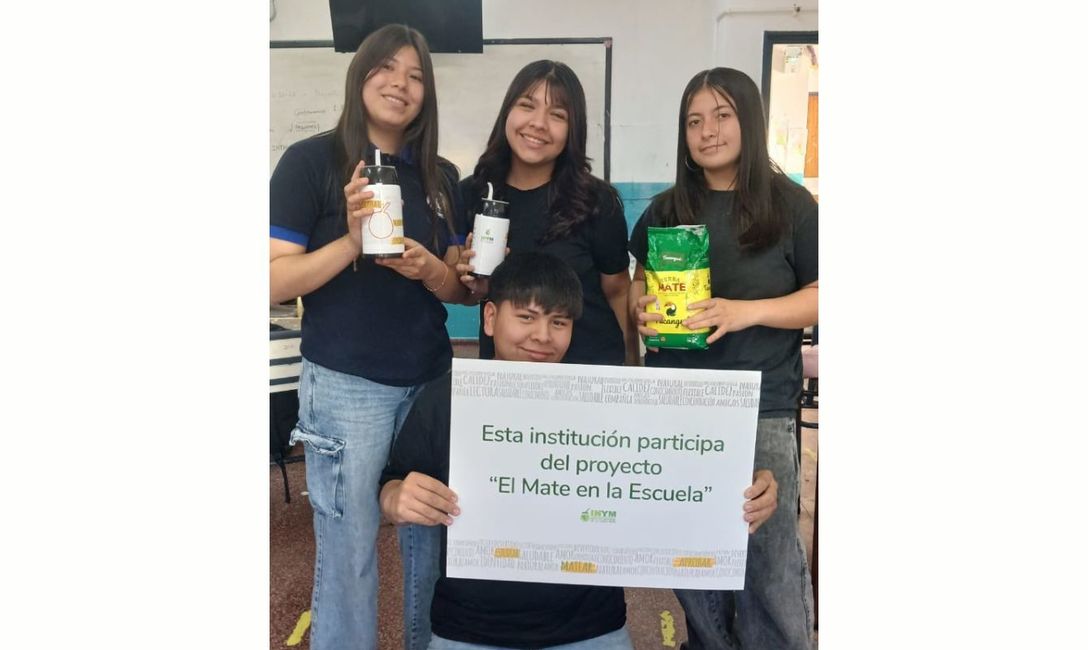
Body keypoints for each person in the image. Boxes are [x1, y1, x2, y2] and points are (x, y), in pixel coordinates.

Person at [379, 251, 781, 650]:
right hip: (468, 629)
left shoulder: (607, 404)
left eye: (558, 322)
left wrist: (746, 488)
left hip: (592, 630)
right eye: (526, 317)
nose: (542, 336)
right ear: (489, 318)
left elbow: (680, 468)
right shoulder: (447, 398)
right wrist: (396, 497)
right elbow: (393, 481)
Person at [269, 24, 470, 650]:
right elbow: (273, 280)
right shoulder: (312, 162)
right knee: (350, 550)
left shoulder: (441, 176)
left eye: (415, 76)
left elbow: (461, 290)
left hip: (431, 377)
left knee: (431, 536)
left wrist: (438, 270)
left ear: (427, 94)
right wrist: (352, 242)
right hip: (346, 384)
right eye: (386, 68)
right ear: (360, 77)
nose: (400, 84)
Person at [627, 67, 818, 650]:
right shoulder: (666, 209)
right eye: (694, 120)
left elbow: (819, 296)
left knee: (766, 552)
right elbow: (638, 286)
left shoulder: (792, 206)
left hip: (759, 405)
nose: (707, 131)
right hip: (678, 405)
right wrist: (643, 313)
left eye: (722, 115)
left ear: (749, 121)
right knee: (690, 546)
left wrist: (742, 312)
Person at [455, 60, 636, 367]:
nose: (539, 123)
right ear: (507, 113)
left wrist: (633, 371)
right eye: (527, 105)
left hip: (588, 373)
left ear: (572, 129)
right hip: (505, 372)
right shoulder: (472, 194)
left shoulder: (597, 201)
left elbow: (618, 291)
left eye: (557, 115)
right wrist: (465, 279)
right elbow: (467, 291)